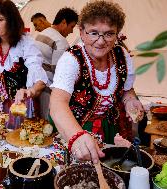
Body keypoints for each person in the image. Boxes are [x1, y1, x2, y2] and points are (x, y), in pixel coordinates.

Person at [49, 0, 144, 163]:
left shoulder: (122, 55)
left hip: (112, 129)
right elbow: (57, 103)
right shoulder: (71, 59)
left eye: (109, 33)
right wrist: (76, 136)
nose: (101, 41)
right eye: (93, 33)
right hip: (75, 129)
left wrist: (130, 101)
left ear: (117, 33)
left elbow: (128, 90)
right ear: (81, 32)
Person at [0, 0, 47, 119]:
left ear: (11, 22)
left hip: (21, 109)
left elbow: (40, 82)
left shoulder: (26, 45)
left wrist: (29, 91)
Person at [35, 7, 78, 119]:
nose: (72, 31)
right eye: (72, 26)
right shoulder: (61, 42)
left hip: (35, 86)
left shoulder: (43, 33)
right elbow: (59, 74)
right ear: (64, 22)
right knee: (48, 124)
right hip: (47, 91)